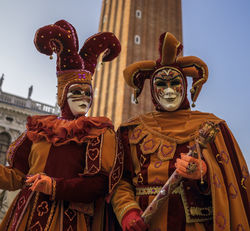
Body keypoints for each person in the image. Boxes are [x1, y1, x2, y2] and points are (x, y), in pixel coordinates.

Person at [111, 32, 249, 230]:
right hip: (146, 224)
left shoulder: (211, 126)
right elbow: (119, 181)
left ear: (184, 86)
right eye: (161, 84)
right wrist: (128, 212)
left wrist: (206, 173)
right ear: (152, 90)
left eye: (175, 83)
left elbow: (233, 178)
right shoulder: (130, 130)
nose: (168, 91)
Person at [0, 20, 123, 231]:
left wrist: (55, 186)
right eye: (77, 91)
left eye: (88, 92)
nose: (84, 97)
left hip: (69, 221)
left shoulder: (98, 133)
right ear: (62, 94)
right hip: (25, 218)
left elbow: (99, 184)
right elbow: (18, 176)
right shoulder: (39, 131)